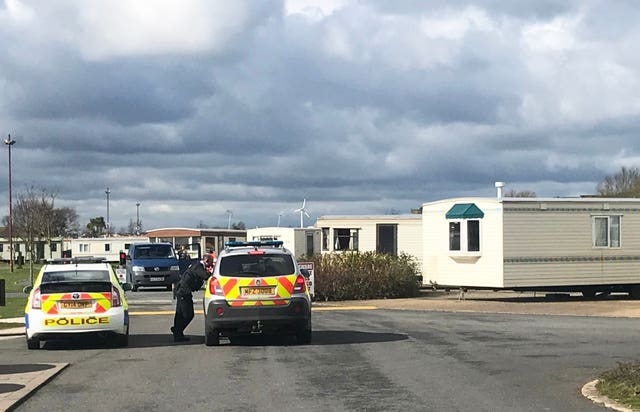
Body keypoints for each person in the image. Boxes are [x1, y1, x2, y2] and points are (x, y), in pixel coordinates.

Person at [171, 254, 215, 342]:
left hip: (182, 291)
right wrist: (212, 272)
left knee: (179, 314)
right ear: (206, 261)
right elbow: (206, 276)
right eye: (211, 262)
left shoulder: (197, 265)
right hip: (184, 292)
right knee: (188, 315)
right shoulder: (198, 267)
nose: (211, 264)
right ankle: (177, 330)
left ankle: (178, 334)